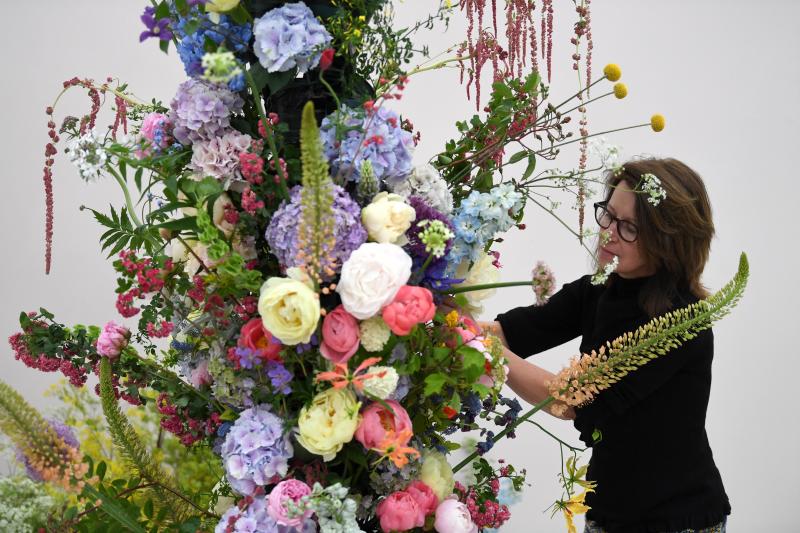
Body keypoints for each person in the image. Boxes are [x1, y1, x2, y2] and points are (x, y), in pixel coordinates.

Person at [480, 158, 730, 533]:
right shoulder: (599, 289)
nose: (609, 233)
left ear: (669, 240)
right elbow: (510, 331)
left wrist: (484, 351)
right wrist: (441, 321)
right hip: (609, 515)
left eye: (629, 227)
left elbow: (571, 401)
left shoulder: (681, 323)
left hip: (679, 522)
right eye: (608, 215)